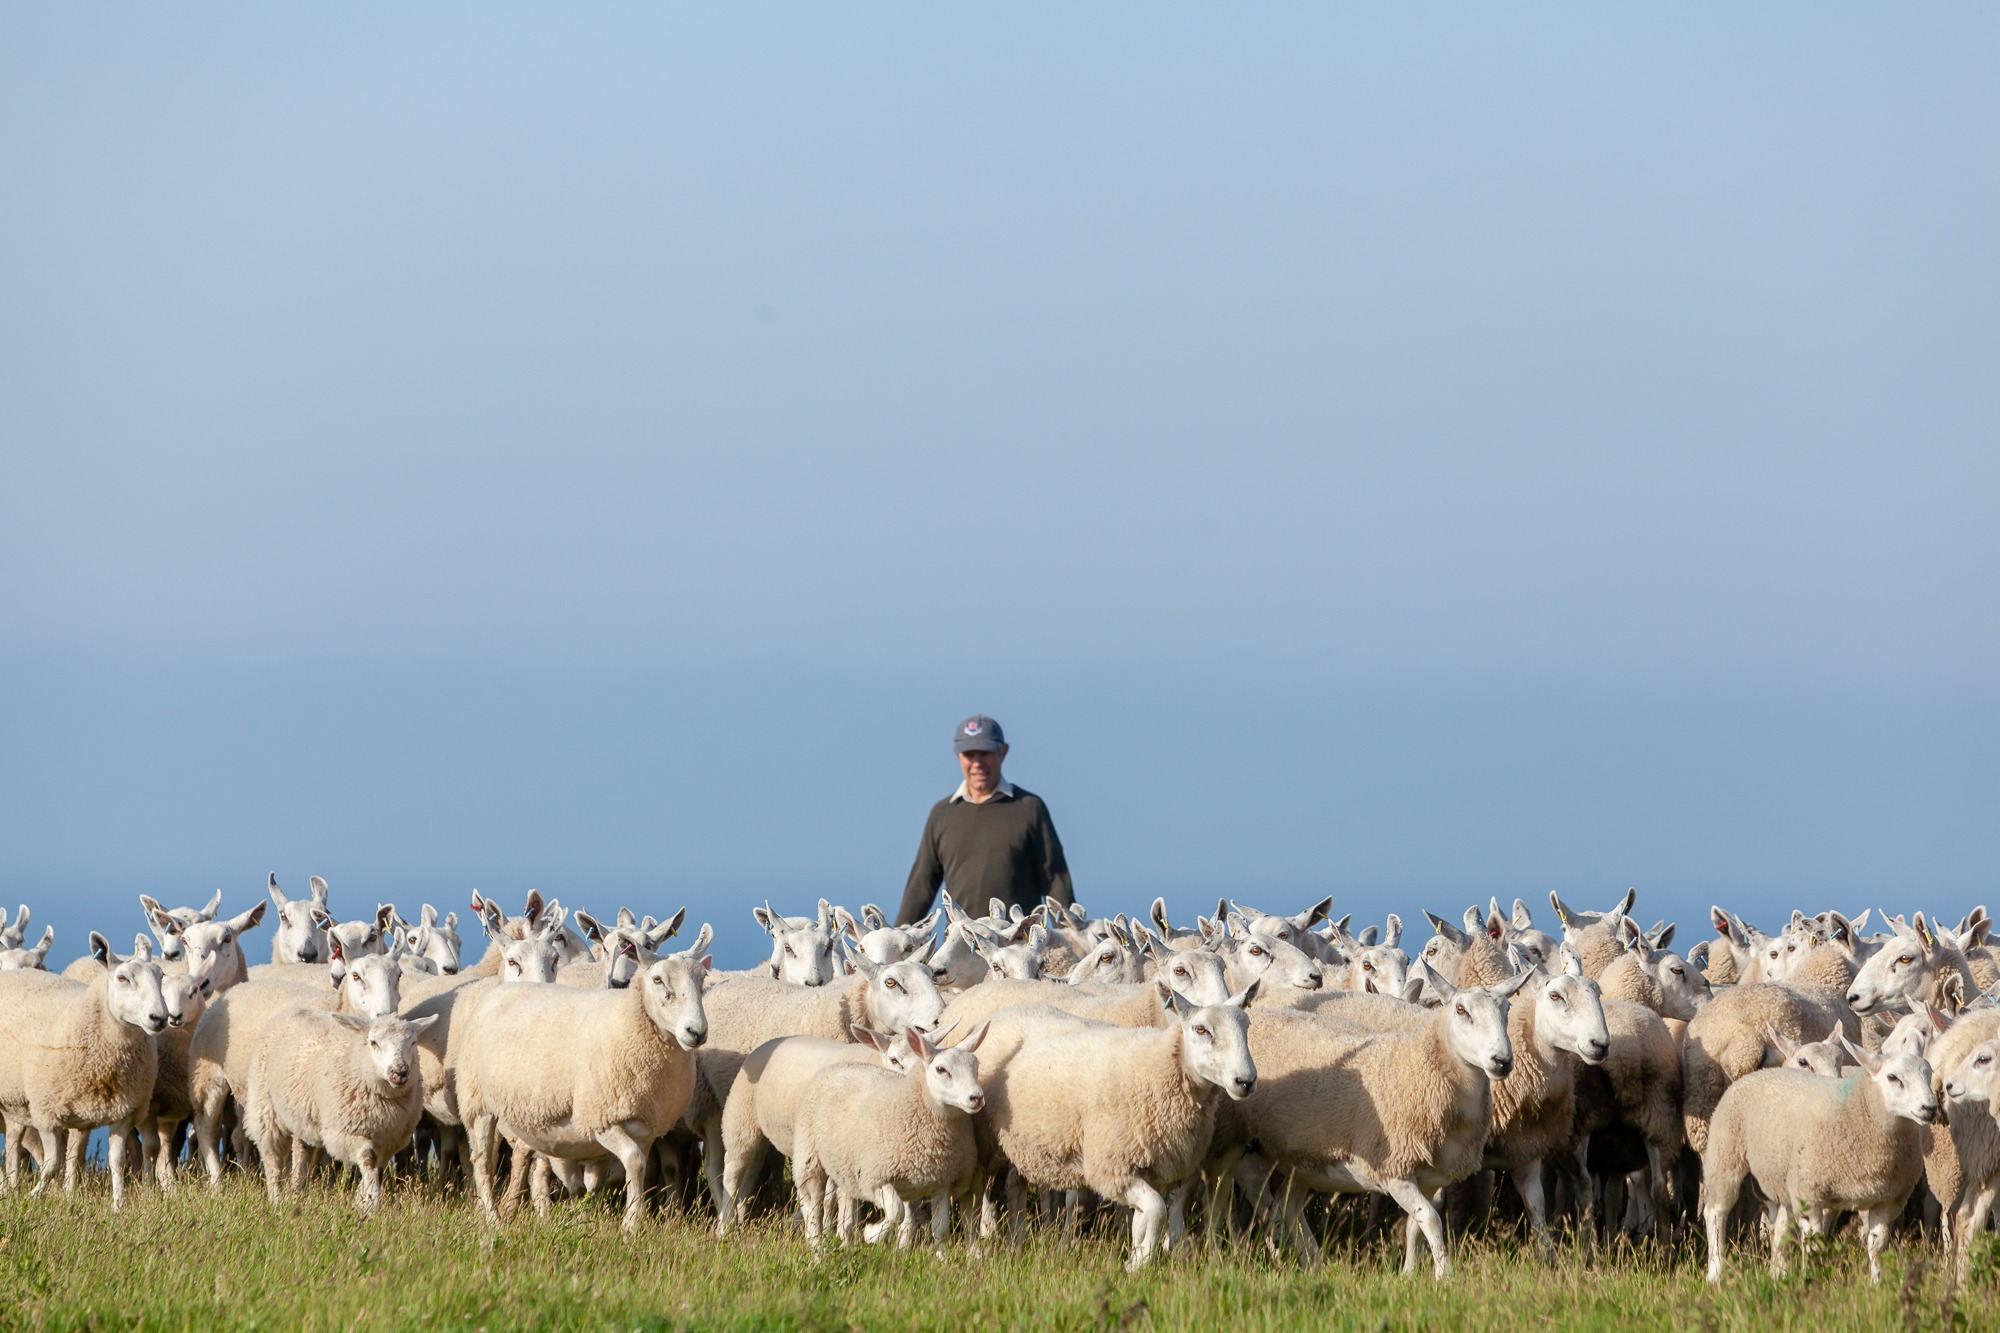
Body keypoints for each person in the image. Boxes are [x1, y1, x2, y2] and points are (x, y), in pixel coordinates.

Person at [896, 714, 1073, 926]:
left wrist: (1068, 938)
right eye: (970, 755)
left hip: (1018, 949)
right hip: (961, 949)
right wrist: (899, 938)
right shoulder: (942, 814)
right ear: (958, 756)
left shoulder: (1029, 808)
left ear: (1003, 752)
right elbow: (921, 886)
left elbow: (1055, 880)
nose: (977, 763)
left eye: (985, 753)